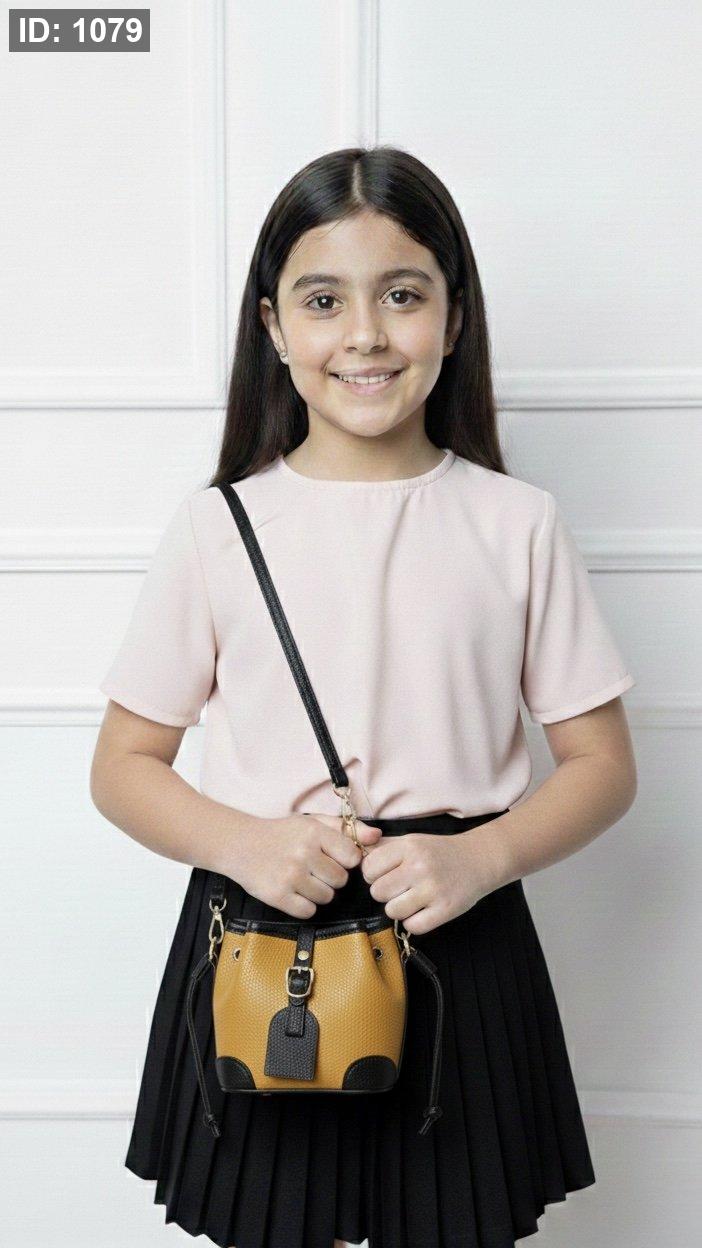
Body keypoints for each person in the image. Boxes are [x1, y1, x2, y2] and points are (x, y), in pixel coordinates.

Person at [89, 146, 638, 1248]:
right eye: (323, 301)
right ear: (274, 327)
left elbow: (605, 766)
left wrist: (483, 858)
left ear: (454, 315)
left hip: (459, 939)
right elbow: (122, 766)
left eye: (402, 295)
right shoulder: (217, 528)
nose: (366, 335)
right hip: (263, 937)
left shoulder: (517, 523)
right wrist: (243, 844)